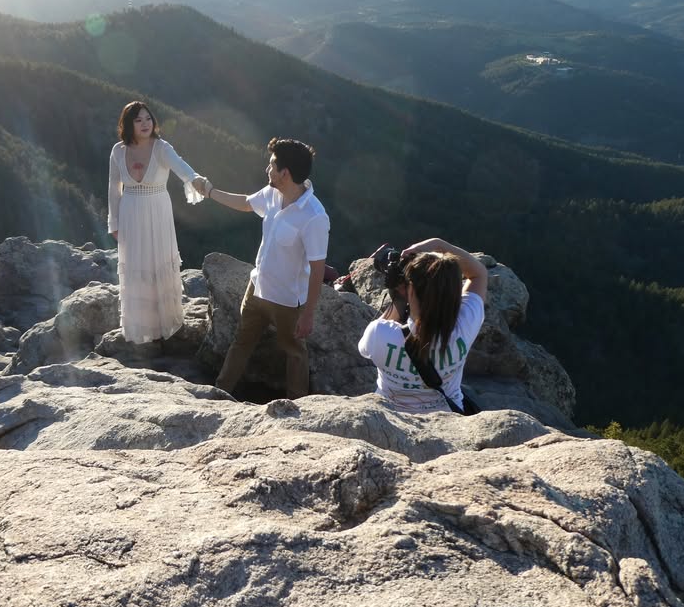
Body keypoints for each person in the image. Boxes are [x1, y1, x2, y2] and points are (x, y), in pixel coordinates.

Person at [199, 138, 329, 399]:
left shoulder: (314, 216)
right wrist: (210, 192)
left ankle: (299, 408)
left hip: (287, 300)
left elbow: (318, 270)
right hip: (257, 288)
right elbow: (247, 203)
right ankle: (219, 393)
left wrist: (308, 314)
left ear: (285, 173)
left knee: (294, 352)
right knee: (241, 342)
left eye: (271, 165)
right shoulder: (272, 194)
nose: (267, 170)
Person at [107, 101, 206, 344]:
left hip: (157, 211)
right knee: (135, 265)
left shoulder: (161, 148)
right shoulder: (118, 151)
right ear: (128, 124)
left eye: (148, 119)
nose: (145, 124)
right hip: (130, 212)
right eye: (138, 120)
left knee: (158, 261)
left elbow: (182, 168)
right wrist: (114, 222)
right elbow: (113, 186)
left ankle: (166, 323)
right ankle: (140, 327)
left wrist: (197, 181)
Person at [357, 238, 488, 414]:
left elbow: (365, 348)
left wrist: (399, 298)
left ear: (409, 290)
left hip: (392, 419)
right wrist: (440, 246)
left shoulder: (379, 333)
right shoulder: (465, 325)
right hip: (448, 418)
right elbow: (478, 274)